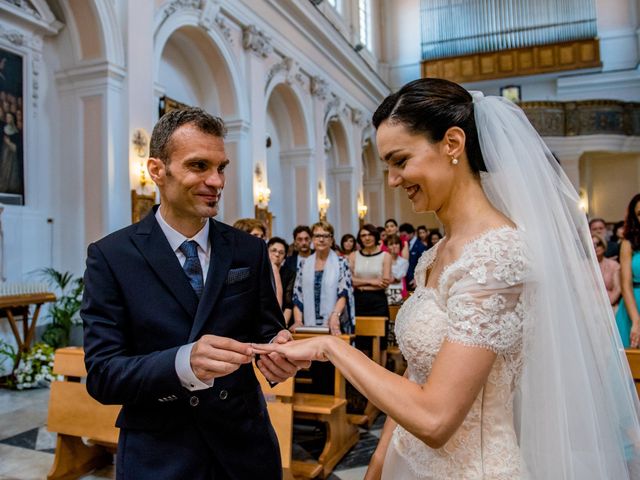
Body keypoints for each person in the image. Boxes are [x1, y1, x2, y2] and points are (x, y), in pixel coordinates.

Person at [254, 79, 640, 479]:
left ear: (453, 144)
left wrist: (332, 348)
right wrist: (379, 461)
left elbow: (436, 419)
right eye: (387, 165)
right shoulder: (437, 255)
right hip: (408, 458)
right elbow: (419, 372)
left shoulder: (499, 255)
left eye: (400, 160)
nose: (391, 180)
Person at [81, 107, 306, 479]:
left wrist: (278, 350)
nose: (216, 181)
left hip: (243, 448)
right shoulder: (111, 256)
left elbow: (265, 329)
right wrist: (183, 363)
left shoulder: (247, 250)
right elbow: (103, 374)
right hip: (161, 452)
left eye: (222, 168)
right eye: (199, 166)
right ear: (157, 170)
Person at [290, 221, 355, 334]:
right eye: (317, 236)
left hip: (335, 322)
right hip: (308, 324)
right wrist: (298, 321)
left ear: (331, 240)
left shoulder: (341, 262)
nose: (321, 239)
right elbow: (297, 295)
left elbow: (343, 293)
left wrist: (335, 315)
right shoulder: (304, 264)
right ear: (312, 239)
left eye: (326, 236)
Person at [616, 194, 640, 348]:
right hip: (634, 306)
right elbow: (625, 286)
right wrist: (636, 320)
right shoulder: (628, 243)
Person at [268, 236, 295, 327]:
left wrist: (282, 326)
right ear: (267, 251)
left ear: (284, 257)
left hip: (283, 317)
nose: (277, 254)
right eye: (273, 250)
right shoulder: (259, 272)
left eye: (281, 252)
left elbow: (288, 304)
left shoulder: (289, 274)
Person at [593, 234, 621, 308]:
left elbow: (617, 288)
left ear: (604, 246)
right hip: (589, 306)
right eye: (592, 244)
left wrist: (608, 303)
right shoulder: (583, 266)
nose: (595, 247)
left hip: (609, 305)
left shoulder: (614, 265)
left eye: (598, 244)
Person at [400, 222, 426, 291]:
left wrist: (418, 279)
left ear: (411, 233)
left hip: (415, 281)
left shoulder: (420, 246)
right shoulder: (404, 244)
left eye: (404, 235)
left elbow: (423, 264)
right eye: (402, 236)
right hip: (406, 280)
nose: (403, 238)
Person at [385, 234, 408, 305]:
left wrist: (388, 278)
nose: (394, 246)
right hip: (383, 292)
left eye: (396, 243)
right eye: (391, 244)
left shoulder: (404, 262)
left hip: (398, 293)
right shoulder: (383, 260)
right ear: (387, 247)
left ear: (400, 246)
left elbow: (397, 278)